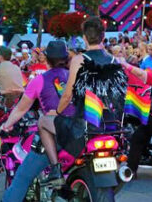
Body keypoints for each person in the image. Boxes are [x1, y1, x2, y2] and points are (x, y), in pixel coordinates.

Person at [39, 17, 127, 184]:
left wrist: (57, 112)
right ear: (103, 36)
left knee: (43, 121)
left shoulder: (80, 60)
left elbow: (68, 94)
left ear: (85, 38)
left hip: (84, 126)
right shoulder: (115, 61)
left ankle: (56, 170)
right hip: (110, 125)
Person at [0, 41, 72, 202]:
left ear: (46, 59)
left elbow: (20, 109)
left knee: (22, 177)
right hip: (80, 133)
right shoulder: (75, 76)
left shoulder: (39, 80)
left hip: (55, 135)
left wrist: (7, 125)